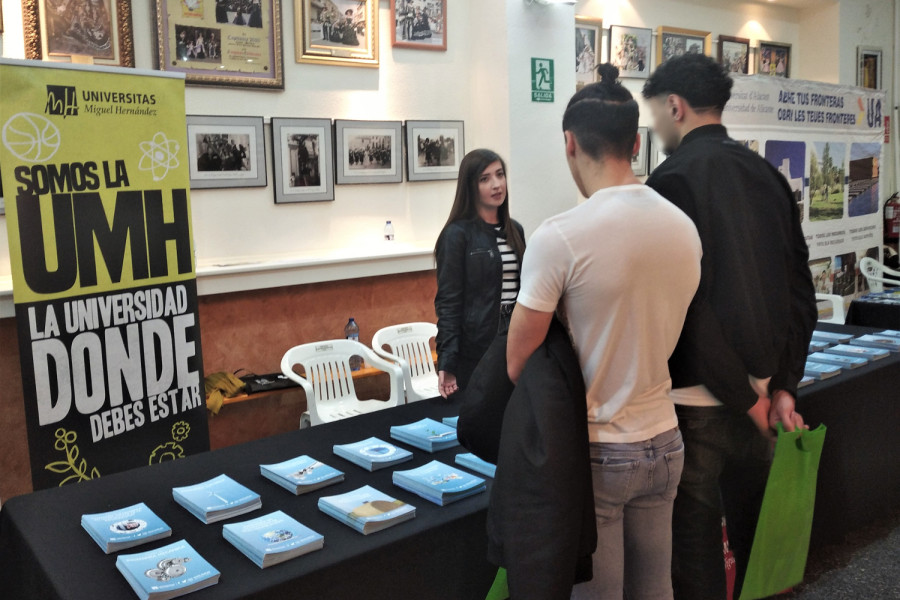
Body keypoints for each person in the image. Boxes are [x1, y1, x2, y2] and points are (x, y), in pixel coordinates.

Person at [507, 64, 703, 599]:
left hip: (599, 447)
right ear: (635, 143)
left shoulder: (559, 237)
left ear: (569, 143)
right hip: (665, 438)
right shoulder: (683, 227)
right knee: (655, 591)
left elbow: (517, 363)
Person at [642, 54, 818, 600]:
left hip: (698, 407)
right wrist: (782, 387)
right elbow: (800, 294)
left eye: (656, 114)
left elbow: (686, 312)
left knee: (693, 559)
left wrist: (747, 400)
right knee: (760, 556)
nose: (655, 126)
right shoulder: (766, 174)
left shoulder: (668, 181)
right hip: (764, 401)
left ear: (675, 106)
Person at [434, 149, 526, 397]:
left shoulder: (514, 230)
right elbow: (448, 301)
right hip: (479, 339)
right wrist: (447, 360)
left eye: (500, 175)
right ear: (470, 187)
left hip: (517, 332)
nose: (496, 185)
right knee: (483, 411)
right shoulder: (457, 234)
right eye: (485, 179)